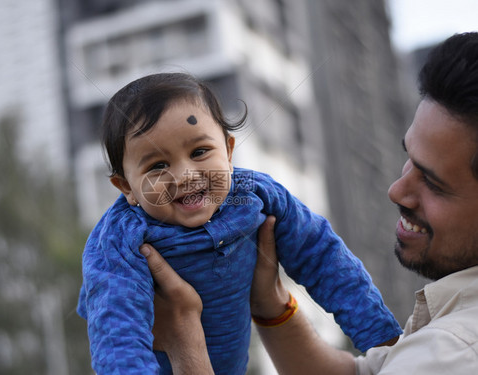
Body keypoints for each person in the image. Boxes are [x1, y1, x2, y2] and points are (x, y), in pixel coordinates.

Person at [142, 32, 478, 374]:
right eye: (409, 159)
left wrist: (184, 344)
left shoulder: (454, 353)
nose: (397, 191)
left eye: (433, 183)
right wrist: (270, 303)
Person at [77, 72, 401, 374]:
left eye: (200, 151)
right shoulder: (119, 240)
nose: (186, 175)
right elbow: (117, 329)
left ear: (229, 152)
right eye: (158, 165)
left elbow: (324, 257)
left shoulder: (257, 195)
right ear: (127, 188)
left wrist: (385, 340)